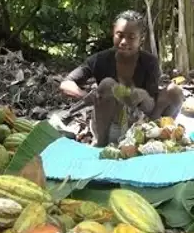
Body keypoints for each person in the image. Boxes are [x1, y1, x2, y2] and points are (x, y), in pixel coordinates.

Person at [60, 10, 184, 147]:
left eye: (131, 37)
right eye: (120, 35)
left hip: (141, 123)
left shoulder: (150, 62)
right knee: (108, 84)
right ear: (113, 33)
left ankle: (156, 139)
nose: (124, 42)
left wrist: (142, 97)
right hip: (109, 125)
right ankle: (100, 144)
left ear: (141, 38)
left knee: (175, 91)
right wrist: (86, 95)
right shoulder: (100, 59)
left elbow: (152, 106)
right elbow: (66, 84)